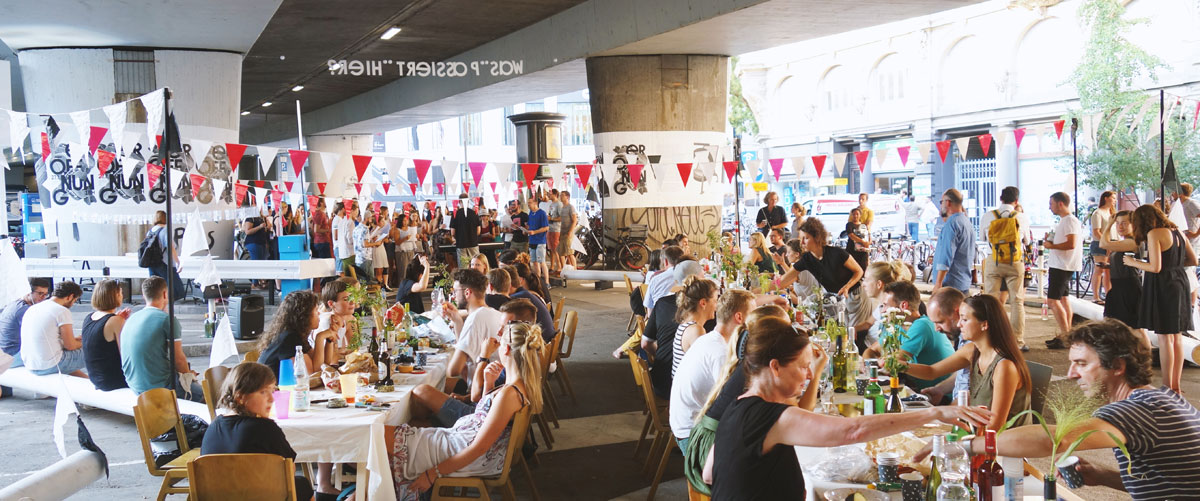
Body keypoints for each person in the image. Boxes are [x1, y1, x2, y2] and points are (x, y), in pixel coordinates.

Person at [709, 316, 991, 500]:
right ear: (775, 367)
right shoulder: (770, 417)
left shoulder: (736, 407)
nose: (809, 375)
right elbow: (853, 430)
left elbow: (709, 474)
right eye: (804, 367)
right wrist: (935, 412)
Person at [948, 320, 1200, 500]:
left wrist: (968, 445)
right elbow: (1171, 481)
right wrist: (1102, 476)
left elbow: (1055, 438)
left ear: (1117, 366)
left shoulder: (1134, 410)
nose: (1070, 374)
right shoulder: (1161, 399)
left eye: (1081, 363)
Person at [386, 322, 543, 501]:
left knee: (380, 436)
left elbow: (480, 447)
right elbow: (486, 417)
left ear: (506, 349)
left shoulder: (510, 393)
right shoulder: (517, 386)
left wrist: (433, 473)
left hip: (466, 450)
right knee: (399, 434)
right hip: (463, 441)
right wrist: (489, 384)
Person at [903, 294, 1030, 430]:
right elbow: (932, 371)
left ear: (984, 324)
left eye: (964, 319)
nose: (959, 324)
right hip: (979, 431)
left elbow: (995, 426)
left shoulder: (1004, 366)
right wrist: (896, 364)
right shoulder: (972, 350)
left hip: (1003, 439)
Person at [1109, 204, 1195, 394]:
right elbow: (1193, 260)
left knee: (1165, 338)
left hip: (1163, 285)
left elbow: (1155, 267)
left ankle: (1167, 386)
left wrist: (1133, 262)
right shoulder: (1178, 233)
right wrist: (1173, 265)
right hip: (1180, 282)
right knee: (1176, 337)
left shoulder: (1155, 233)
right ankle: (1176, 385)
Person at [201, 362, 315, 501]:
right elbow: (288, 470)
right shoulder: (265, 428)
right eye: (263, 392)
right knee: (301, 484)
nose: (272, 399)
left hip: (217, 496)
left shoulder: (213, 426)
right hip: (260, 496)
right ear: (240, 397)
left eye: (272, 391)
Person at [669, 289, 754, 453]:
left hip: (685, 423)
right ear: (739, 317)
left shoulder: (709, 339)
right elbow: (733, 404)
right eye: (753, 314)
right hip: (692, 435)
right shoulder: (720, 352)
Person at [776, 218, 870, 329]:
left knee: (856, 331)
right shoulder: (807, 259)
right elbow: (782, 281)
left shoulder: (836, 253)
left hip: (854, 295)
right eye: (801, 239)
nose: (802, 243)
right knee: (841, 330)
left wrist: (847, 286)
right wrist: (767, 287)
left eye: (806, 238)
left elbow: (859, 271)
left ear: (817, 237)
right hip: (837, 299)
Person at [116, 277, 200, 400]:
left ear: (144, 296)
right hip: (161, 386)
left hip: (135, 385)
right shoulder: (166, 320)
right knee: (210, 396)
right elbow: (179, 360)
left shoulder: (131, 319)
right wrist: (188, 376)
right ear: (165, 294)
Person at [863, 281, 954, 390]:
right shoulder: (897, 326)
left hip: (941, 393)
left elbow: (893, 363)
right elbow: (871, 350)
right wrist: (869, 365)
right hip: (920, 390)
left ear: (903, 305)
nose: (882, 311)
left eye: (885, 305)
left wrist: (877, 363)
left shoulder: (922, 325)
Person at [643, 260, 706, 399]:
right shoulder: (703, 312)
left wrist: (663, 358)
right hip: (679, 388)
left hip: (660, 377)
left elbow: (645, 343)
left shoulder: (661, 303)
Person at [980, 186, 1032, 351]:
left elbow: (982, 238)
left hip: (994, 260)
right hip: (1014, 261)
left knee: (991, 300)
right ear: (1016, 201)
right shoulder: (1021, 217)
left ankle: (991, 338)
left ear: (1000, 198)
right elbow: (1027, 241)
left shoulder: (988, 216)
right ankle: (1017, 341)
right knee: (1017, 301)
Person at [440, 268, 506, 391]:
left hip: (482, 392)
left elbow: (453, 370)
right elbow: (465, 355)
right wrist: (457, 321)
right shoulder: (493, 313)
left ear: (467, 292)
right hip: (493, 387)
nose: (453, 296)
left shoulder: (475, 318)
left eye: (455, 291)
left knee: (423, 389)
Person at [255, 290, 338, 380]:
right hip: (270, 387)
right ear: (304, 315)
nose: (319, 313)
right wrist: (320, 338)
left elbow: (323, 364)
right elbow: (313, 373)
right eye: (316, 310)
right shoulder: (289, 338)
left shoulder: (297, 334)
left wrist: (329, 340)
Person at [20, 281, 86, 377]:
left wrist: (75, 341)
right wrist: (84, 342)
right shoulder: (61, 311)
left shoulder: (33, 308)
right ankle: (105, 382)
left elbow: (48, 340)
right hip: (50, 365)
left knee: (69, 355)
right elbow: (70, 346)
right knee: (98, 350)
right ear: (70, 296)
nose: (73, 304)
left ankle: (87, 380)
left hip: (31, 363)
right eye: (74, 300)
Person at [1044, 192, 1083, 350]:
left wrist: (1052, 246)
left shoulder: (1069, 220)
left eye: (1051, 203)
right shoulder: (1067, 221)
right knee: (1064, 299)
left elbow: (1071, 244)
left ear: (1060, 203)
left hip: (1062, 265)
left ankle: (1066, 335)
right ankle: (1066, 334)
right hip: (1063, 264)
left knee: (1053, 301)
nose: (1050, 207)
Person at [919, 287, 969, 406]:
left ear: (957, 313)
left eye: (940, 322)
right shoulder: (962, 337)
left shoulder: (973, 344)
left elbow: (931, 372)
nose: (936, 329)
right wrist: (940, 389)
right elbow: (963, 373)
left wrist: (896, 364)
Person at [82, 280, 131, 391]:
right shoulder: (116, 321)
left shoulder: (89, 317)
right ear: (116, 295)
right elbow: (126, 354)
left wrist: (117, 318)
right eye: (121, 293)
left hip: (96, 377)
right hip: (113, 380)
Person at [1099, 210, 1141, 328]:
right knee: (1118, 325)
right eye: (1117, 223)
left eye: (1124, 223)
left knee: (1131, 327)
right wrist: (1109, 266)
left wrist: (1108, 225)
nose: (1120, 226)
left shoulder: (1132, 242)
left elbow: (1103, 244)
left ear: (1133, 224)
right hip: (1118, 286)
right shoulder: (1124, 241)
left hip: (1128, 287)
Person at [672, 276, 719, 374]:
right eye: (715, 301)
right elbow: (707, 367)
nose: (717, 306)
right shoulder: (696, 330)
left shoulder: (686, 323)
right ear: (703, 303)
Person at [0, 277, 51, 369]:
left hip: (6, 352)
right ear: (28, 292)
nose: (43, 297)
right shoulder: (24, 310)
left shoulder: (15, 304)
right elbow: (41, 334)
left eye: (45, 294)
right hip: (13, 355)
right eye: (40, 293)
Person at [859, 260, 910, 349]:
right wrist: (850, 330)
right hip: (867, 345)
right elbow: (868, 323)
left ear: (879, 284)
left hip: (872, 350)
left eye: (866, 279)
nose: (863, 284)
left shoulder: (893, 310)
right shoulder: (882, 304)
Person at [933, 188, 975, 294]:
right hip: (963, 283)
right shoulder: (966, 222)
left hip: (950, 285)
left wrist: (938, 283)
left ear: (947, 203)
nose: (941, 205)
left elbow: (946, 257)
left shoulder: (952, 224)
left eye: (941, 202)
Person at [507, 263, 558, 343]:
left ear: (520, 280)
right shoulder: (528, 293)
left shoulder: (522, 297)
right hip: (547, 340)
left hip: (540, 344)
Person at [146, 210, 184, 299]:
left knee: (155, 288)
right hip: (165, 263)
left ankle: (159, 304)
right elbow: (171, 248)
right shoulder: (165, 231)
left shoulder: (150, 231)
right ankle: (168, 304)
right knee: (176, 290)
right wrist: (178, 261)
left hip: (151, 263)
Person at [1173, 182, 1200, 308]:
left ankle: (1192, 303)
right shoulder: (1178, 204)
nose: (1172, 194)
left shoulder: (1191, 203)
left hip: (1192, 242)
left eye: (1174, 191)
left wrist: (1195, 234)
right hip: (1181, 240)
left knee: (1189, 269)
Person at [1089, 190, 1117, 304]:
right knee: (1099, 270)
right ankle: (1095, 296)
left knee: (1109, 271)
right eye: (1113, 198)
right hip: (1100, 243)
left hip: (1112, 242)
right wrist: (1106, 243)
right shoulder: (1098, 213)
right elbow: (1096, 231)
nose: (1115, 200)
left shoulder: (1111, 213)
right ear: (1106, 198)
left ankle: (1109, 295)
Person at [643, 246, 687, 311]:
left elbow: (650, 311)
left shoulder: (655, 279)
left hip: (660, 316)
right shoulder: (691, 278)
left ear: (665, 261)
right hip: (685, 316)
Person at [450, 194, 482, 269]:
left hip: (461, 244)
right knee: (476, 266)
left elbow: (452, 232)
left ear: (459, 202)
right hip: (473, 243)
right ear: (468, 201)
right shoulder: (474, 213)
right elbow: (478, 231)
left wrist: (457, 238)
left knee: (463, 268)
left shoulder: (455, 214)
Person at [526, 192, 550, 280]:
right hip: (532, 240)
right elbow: (530, 225)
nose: (528, 205)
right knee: (534, 262)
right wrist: (526, 230)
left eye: (530, 203)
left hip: (540, 241)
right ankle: (538, 280)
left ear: (535, 203)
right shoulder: (530, 213)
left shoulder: (542, 213)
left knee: (542, 262)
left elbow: (546, 227)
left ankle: (547, 281)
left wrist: (535, 232)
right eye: (528, 203)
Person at [333, 203, 358, 277]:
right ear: (351, 211)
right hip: (349, 253)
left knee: (346, 276)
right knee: (352, 277)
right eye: (356, 212)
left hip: (343, 252)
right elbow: (350, 239)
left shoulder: (342, 221)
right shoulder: (350, 222)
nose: (357, 214)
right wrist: (358, 241)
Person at [844, 207, 870, 271]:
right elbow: (851, 235)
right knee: (852, 268)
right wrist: (862, 242)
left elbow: (868, 235)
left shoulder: (864, 225)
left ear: (860, 215)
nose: (855, 216)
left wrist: (869, 242)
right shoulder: (849, 225)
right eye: (854, 214)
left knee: (863, 267)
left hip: (863, 250)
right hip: (852, 249)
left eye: (857, 214)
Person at [558, 191, 578, 269]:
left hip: (568, 233)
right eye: (560, 195)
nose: (561, 197)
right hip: (562, 233)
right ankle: (565, 269)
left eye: (562, 195)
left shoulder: (571, 207)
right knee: (562, 253)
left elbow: (574, 220)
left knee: (570, 253)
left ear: (567, 197)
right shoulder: (562, 208)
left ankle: (574, 269)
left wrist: (570, 231)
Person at [546, 188, 562, 274]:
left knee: (555, 249)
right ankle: (552, 266)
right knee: (551, 249)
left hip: (556, 229)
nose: (548, 195)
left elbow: (561, 217)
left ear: (555, 195)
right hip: (550, 228)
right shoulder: (551, 204)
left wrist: (551, 218)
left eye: (550, 194)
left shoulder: (559, 204)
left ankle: (559, 267)